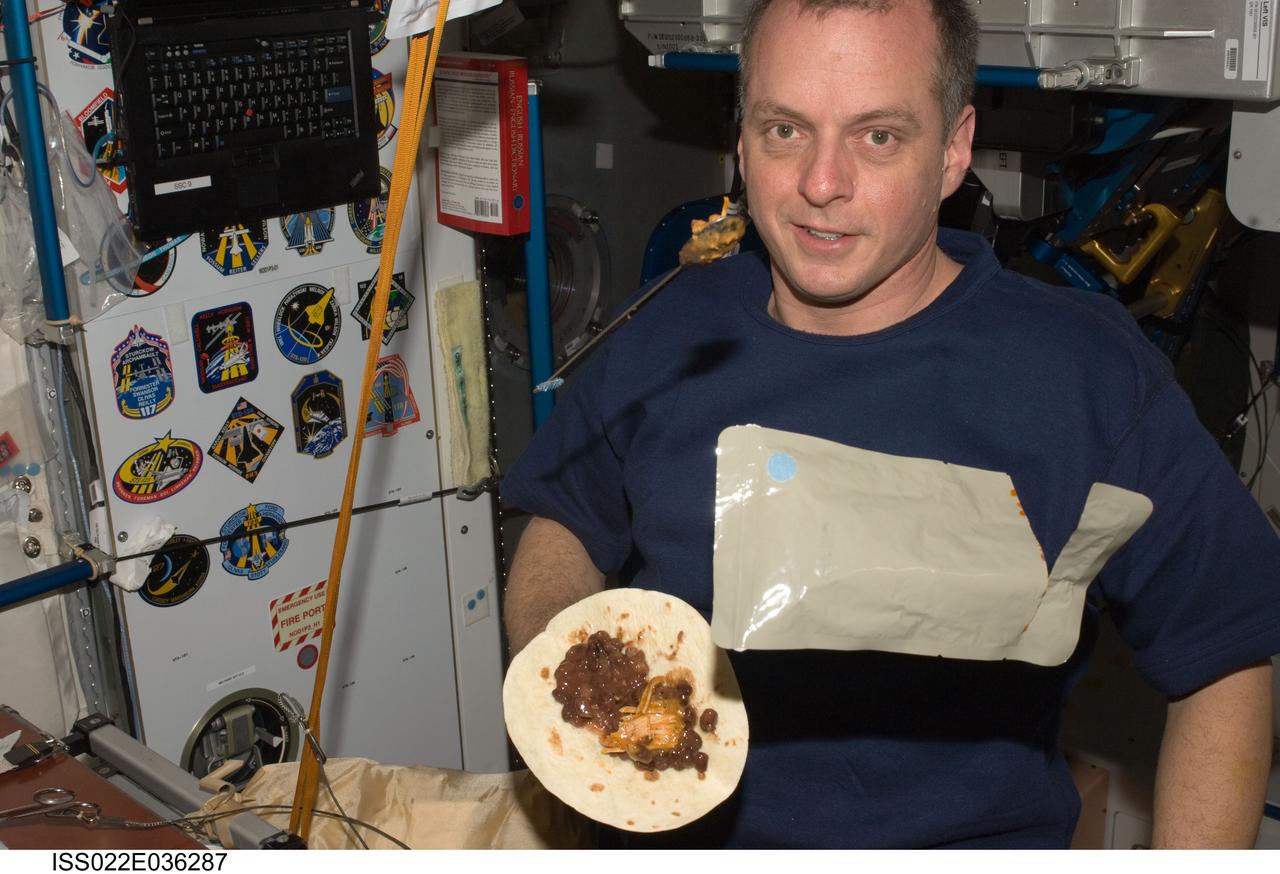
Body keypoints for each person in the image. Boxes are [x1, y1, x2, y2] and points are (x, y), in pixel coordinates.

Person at [501, 0, 1279, 848]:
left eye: (878, 137)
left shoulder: (1084, 376)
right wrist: (573, 672)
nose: (820, 183)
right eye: (785, 130)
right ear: (741, 138)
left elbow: (1225, 659)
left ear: (954, 149)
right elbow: (565, 523)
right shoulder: (668, 328)